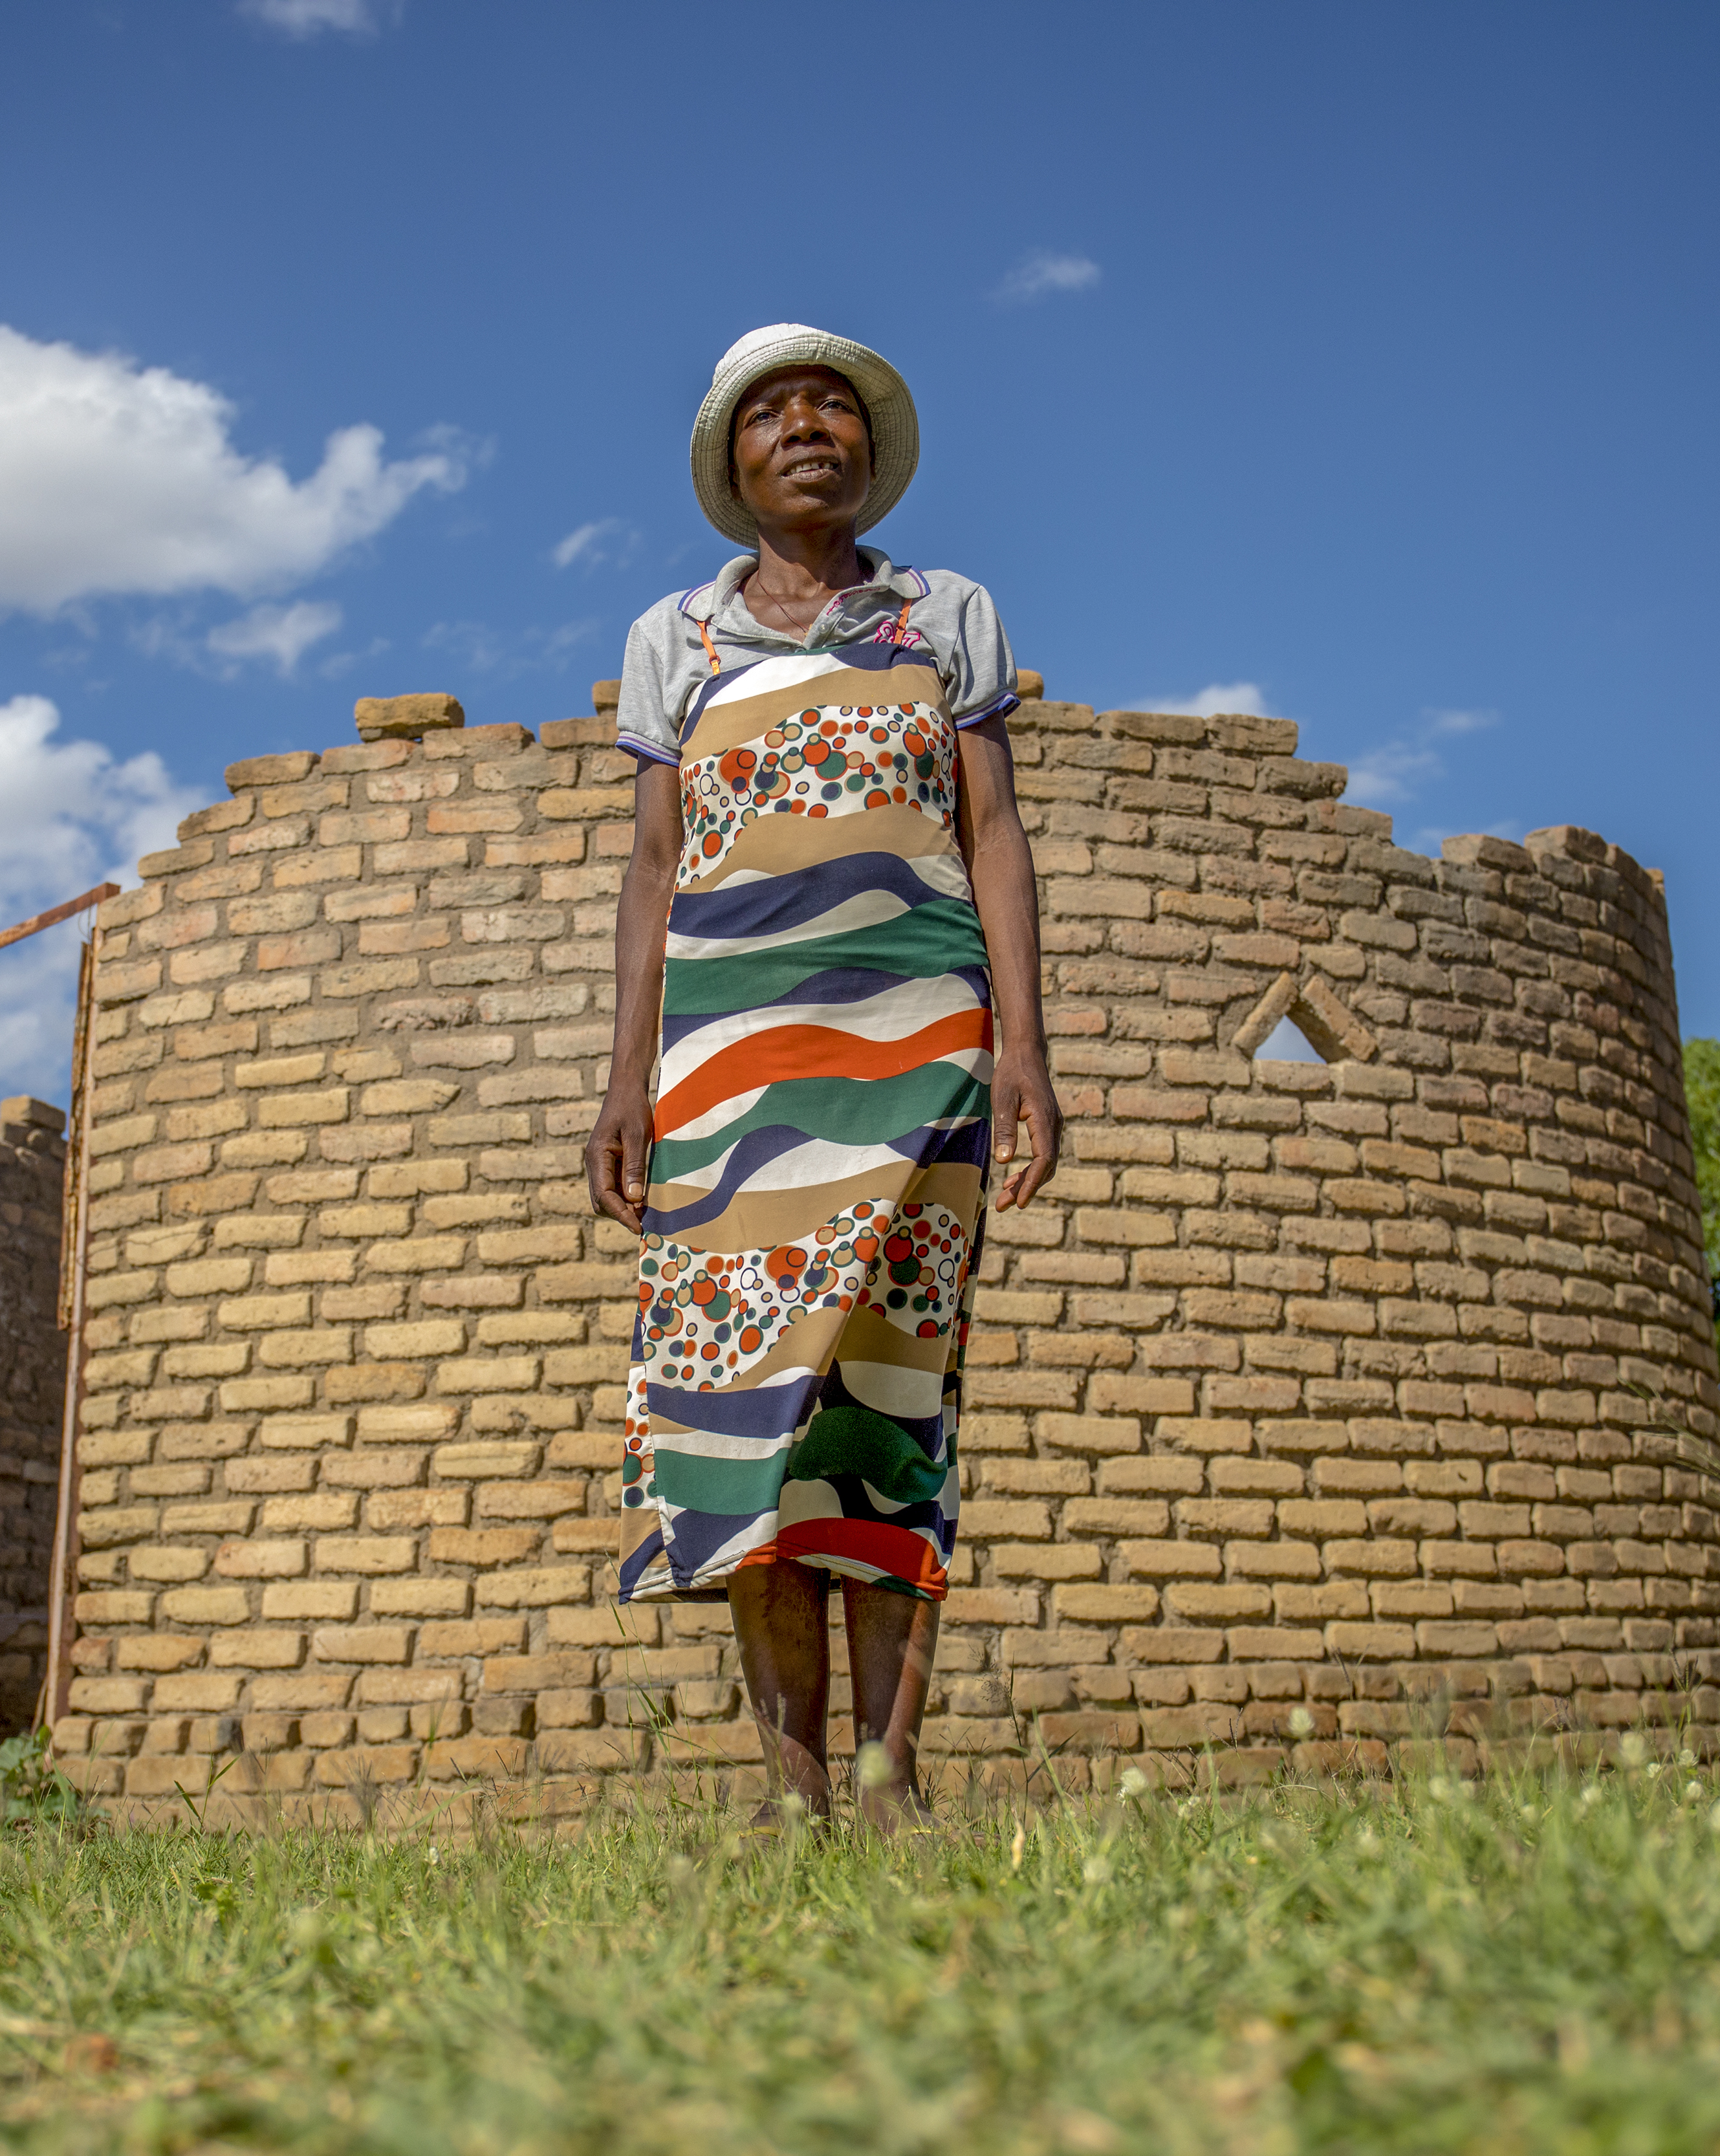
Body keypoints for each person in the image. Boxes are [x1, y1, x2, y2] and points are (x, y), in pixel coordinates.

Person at [585, 323, 1061, 1831]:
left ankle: (888, 1773)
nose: (808, 429)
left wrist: (1027, 1053)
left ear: (869, 448)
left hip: (918, 1042)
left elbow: (990, 830)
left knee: (889, 1408)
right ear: (731, 461)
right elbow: (656, 864)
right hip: (729, 1069)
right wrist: (625, 1082)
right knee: (743, 1409)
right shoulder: (679, 635)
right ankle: (789, 1781)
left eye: (834, 408)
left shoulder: (944, 613)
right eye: (772, 414)